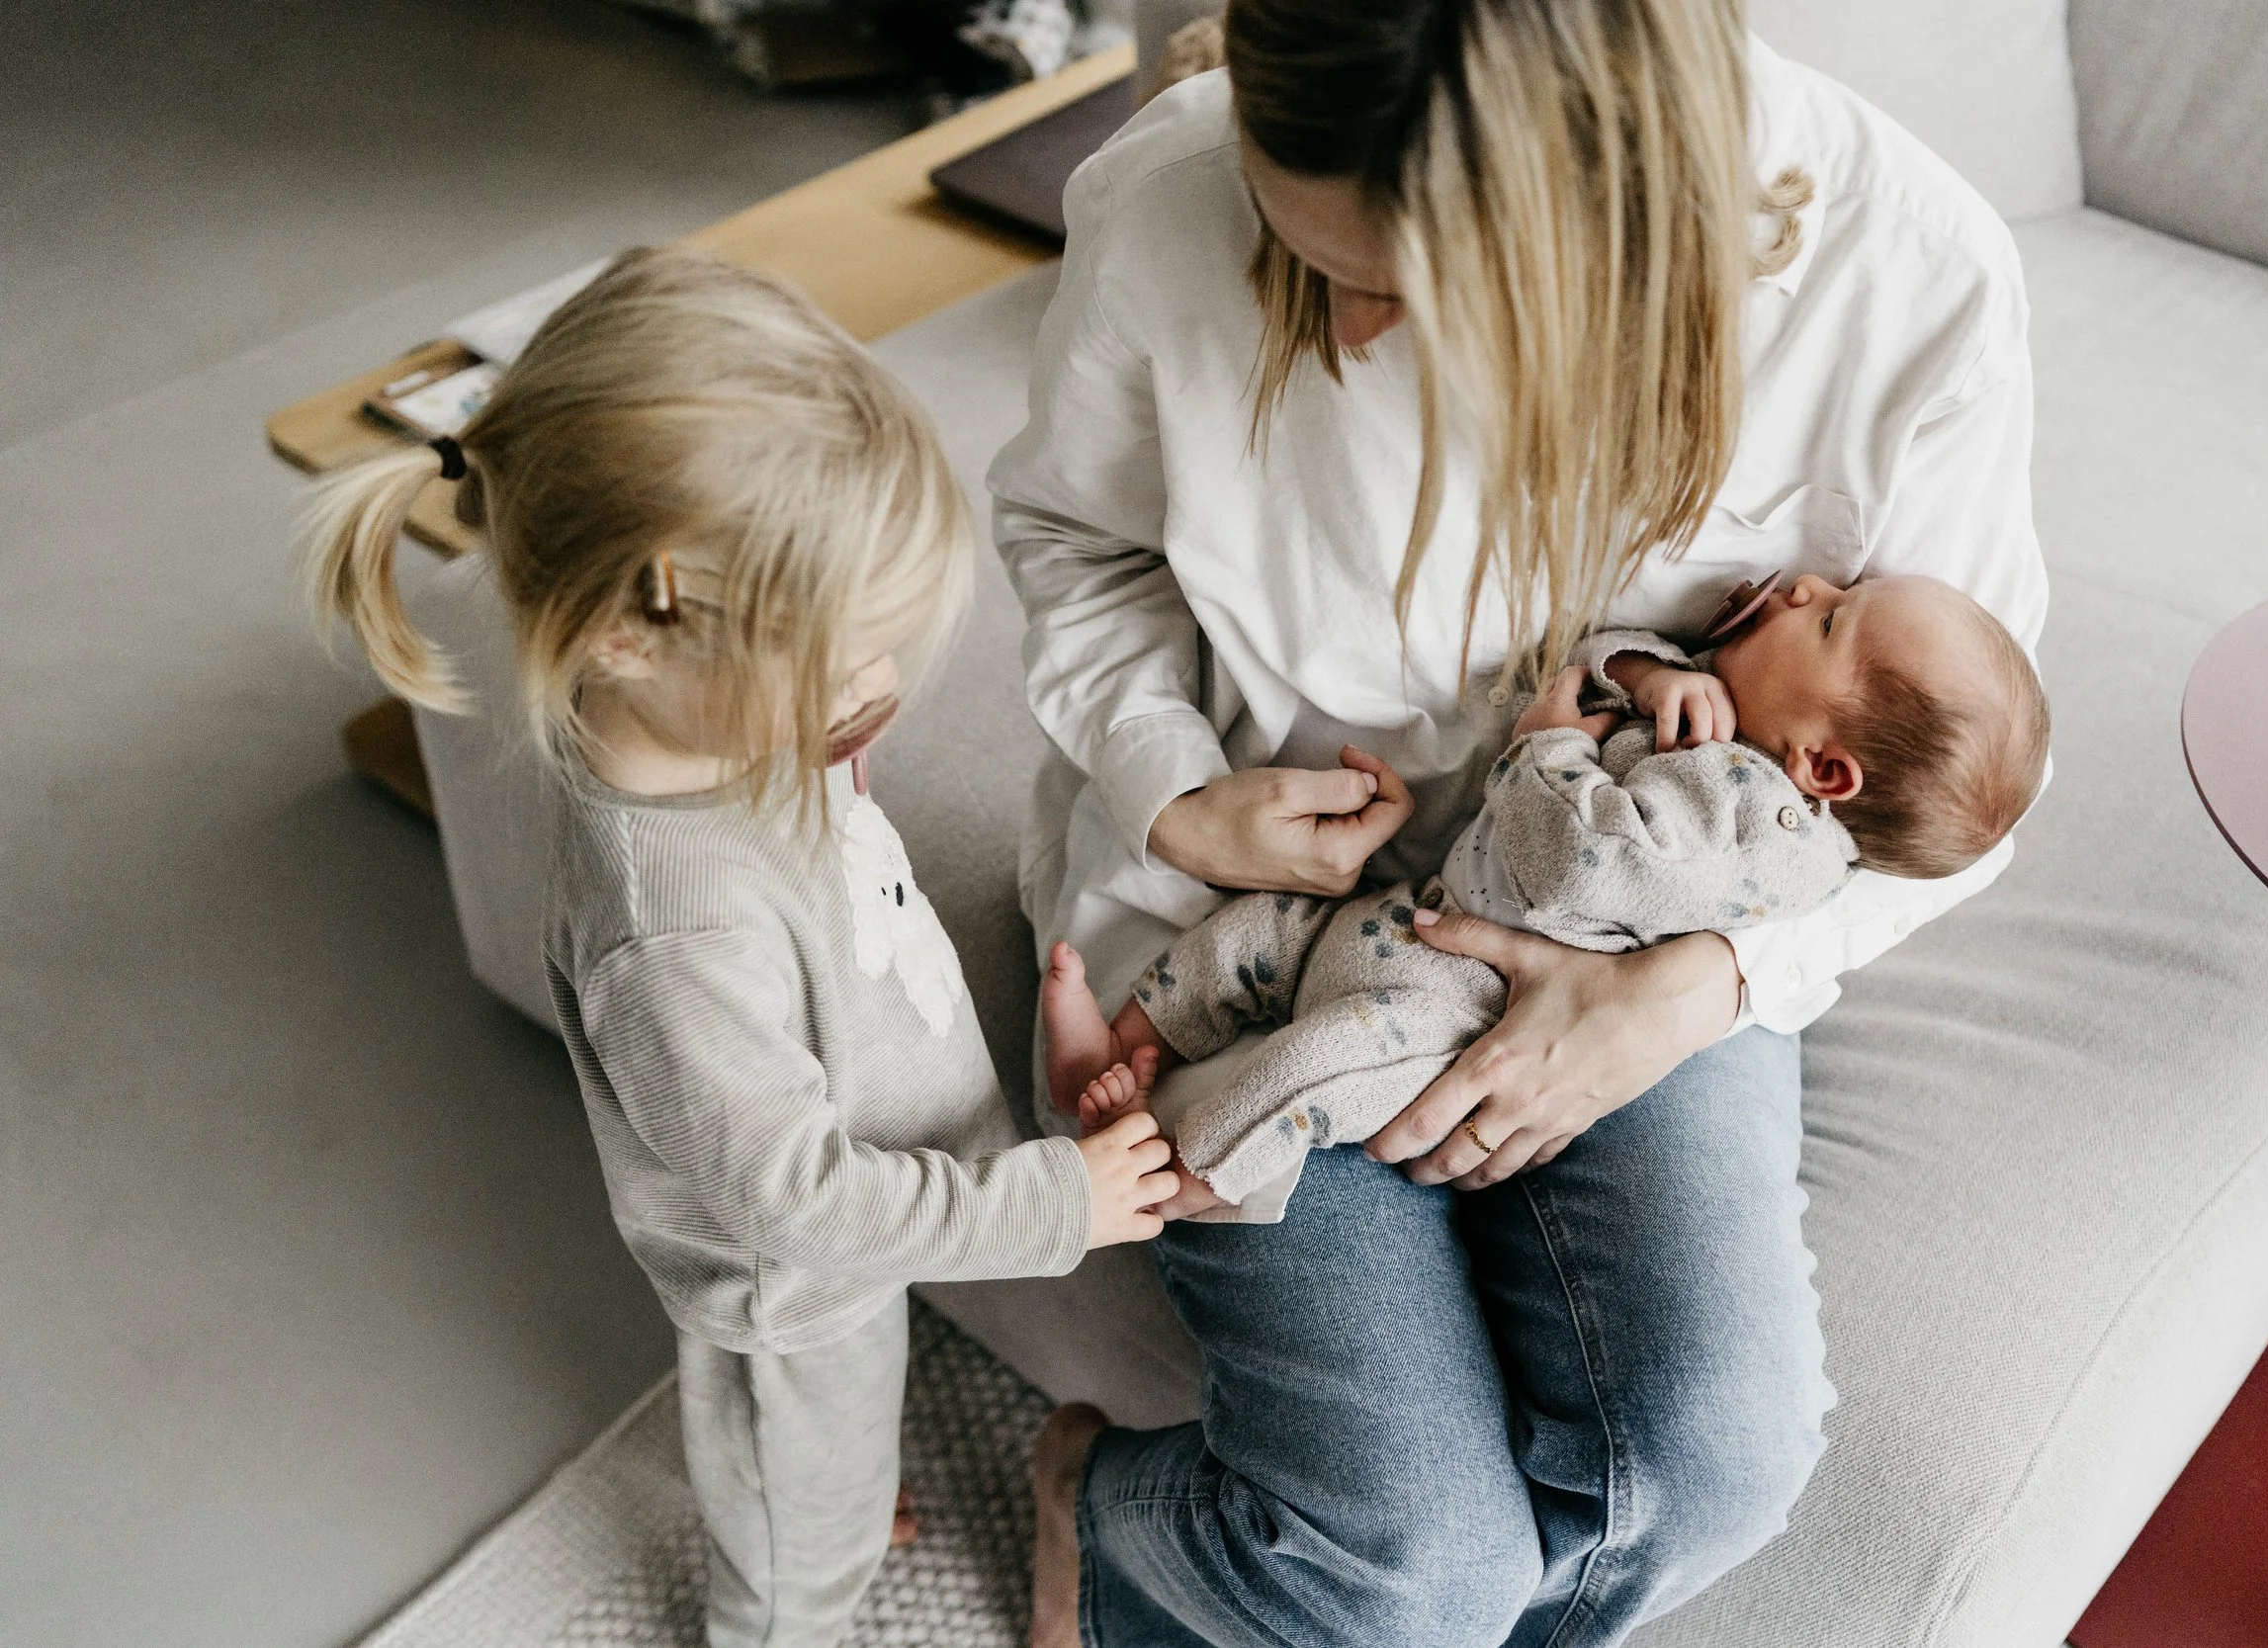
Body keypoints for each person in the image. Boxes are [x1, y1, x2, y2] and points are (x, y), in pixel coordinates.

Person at [992, 0, 2050, 1642]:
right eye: (1316, 260)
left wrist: (1692, 990)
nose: (1348, 337)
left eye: (1405, 294)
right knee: (1416, 1572)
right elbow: (1078, 542)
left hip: (1647, 945)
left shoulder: (1906, 282)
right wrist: (1178, 794)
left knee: (1710, 1466)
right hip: (1260, 948)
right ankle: (1105, 1518)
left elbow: (1949, 792)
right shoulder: (1167, 206)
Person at [300, 246, 1180, 1648]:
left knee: (835, 1440)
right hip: (797, 1286)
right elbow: (800, 1207)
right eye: (838, 674)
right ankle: (786, 1581)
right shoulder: (675, 933)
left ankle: (819, 1498)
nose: (880, 695)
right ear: (629, 634)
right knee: (792, 1517)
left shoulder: (713, 723)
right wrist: (1047, 1202)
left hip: (855, 1225)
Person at [1051, 574, 2051, 1213]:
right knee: (1250, 937)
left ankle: (1173, 1180)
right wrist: (1645, 672)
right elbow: (1601, 655)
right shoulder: (1733, 716)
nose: (1801, 585)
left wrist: (1546, 740)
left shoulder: (1762, 830)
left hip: (1450, 1007)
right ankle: (1126, 1040)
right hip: (1417, 910)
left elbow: (1581, 858)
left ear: (1822, 770)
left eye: (1829, 617)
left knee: (1314, 1061)